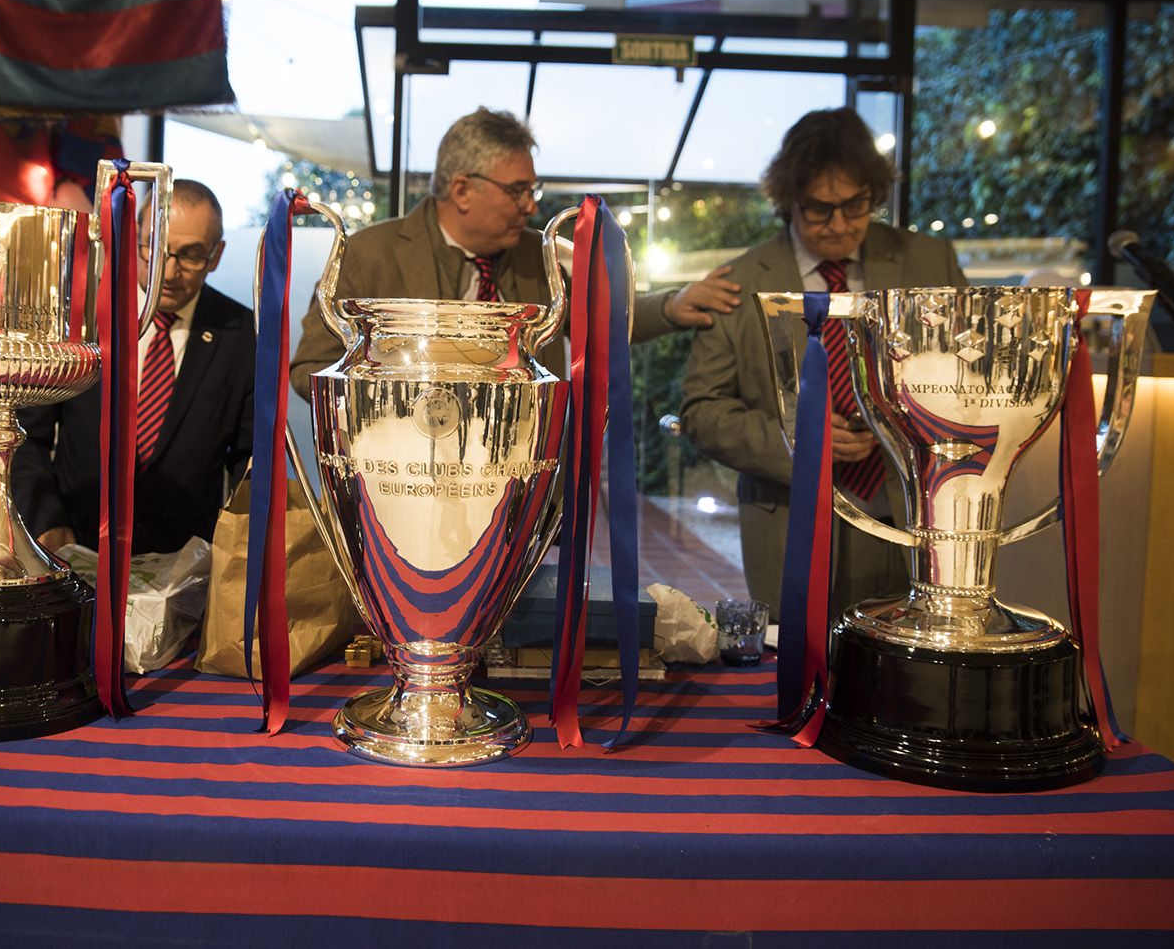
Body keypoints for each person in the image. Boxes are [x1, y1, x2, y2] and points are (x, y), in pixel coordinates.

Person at [680, 107, 969, 616]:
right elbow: (701, 412)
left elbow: (968, 374)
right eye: (818, 209)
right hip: (790, 518)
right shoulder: (741, 281)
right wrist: (801, 437)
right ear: (788, 200)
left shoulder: (928, 261)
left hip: (912, 512)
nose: (839, 225)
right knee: (798, 660)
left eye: (855, 205)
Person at [289, 107, 743, 393]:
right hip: (404, 482)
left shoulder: (540, 255)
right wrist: (396, 402)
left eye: (533, 189)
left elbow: (602, 320)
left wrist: (673, 307)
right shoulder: (368, 254)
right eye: (517, 190)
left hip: (524, 487)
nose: (531, 205)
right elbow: (310, 367)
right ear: (462, 190)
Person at [12, 179, 255, 555]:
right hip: (75, 544)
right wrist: (47, 520)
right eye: (154, 250)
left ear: (216, 255)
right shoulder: (84, 316)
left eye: (191, 256)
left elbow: (249, 460)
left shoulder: (241, 333)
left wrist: (237, 549)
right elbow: (26, 434)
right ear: (134, 238)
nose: (169, 272)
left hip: (186, 559)